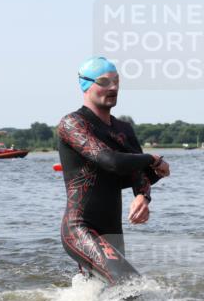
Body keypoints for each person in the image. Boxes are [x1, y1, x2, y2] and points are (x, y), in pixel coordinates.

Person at [57, 56, 170, 285]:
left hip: (112, 232)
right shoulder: (72, 124)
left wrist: (142, 196)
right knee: (130, 285)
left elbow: (138, 173)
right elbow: (110, 161)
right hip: (80, 229)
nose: (114, 87)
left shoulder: (123, 129)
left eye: (117, 81)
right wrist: (153, 158)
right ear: (85, 85)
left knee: (103, 298)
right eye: (105, 82)